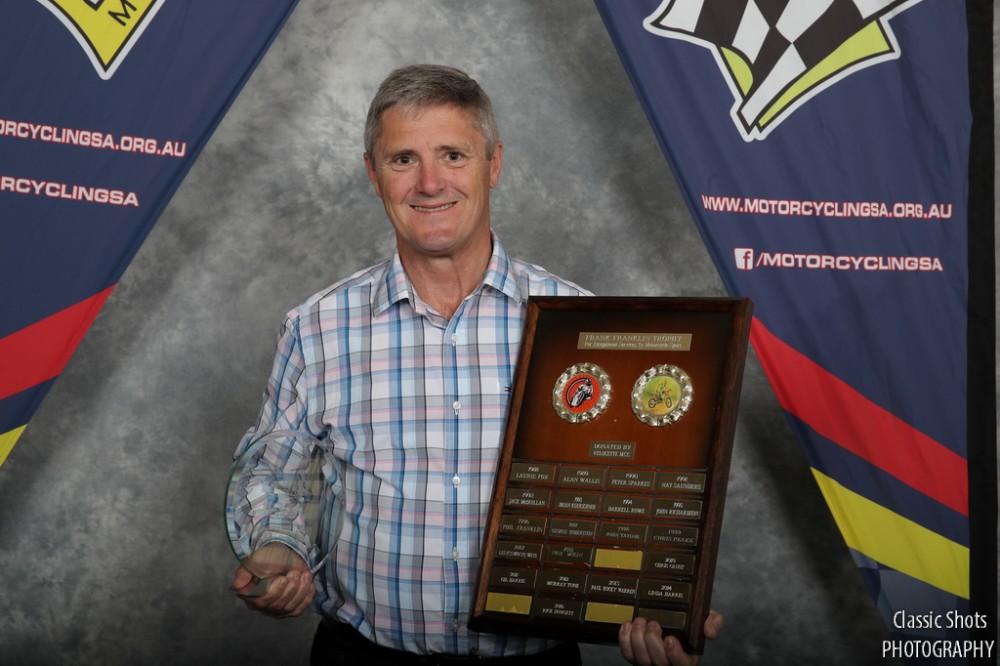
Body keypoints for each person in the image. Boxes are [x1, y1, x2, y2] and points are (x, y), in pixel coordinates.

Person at [230, 64, 722, 666]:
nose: (429, 183)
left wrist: (663, 600)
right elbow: (273, 476)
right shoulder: (316, 328)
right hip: (363, 656)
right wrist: (279, 547)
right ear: (373, 174)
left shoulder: (584, 325)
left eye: (453, 155)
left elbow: (629, 493)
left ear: (493, 164)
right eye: (403, 159)